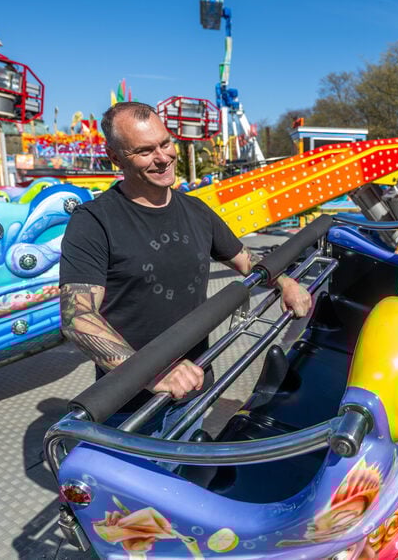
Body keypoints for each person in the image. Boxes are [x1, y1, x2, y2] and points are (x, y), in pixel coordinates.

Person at [59, 101, 311, 438]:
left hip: (195, 386)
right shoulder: (93, 221)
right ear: (116, 158)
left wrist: (284, 282)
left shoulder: (195, 210)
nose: (163, 157)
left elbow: (243, 259)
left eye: (165, 143)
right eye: (145, 151)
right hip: (132, 408)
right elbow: (76, 317)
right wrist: (150, 373)